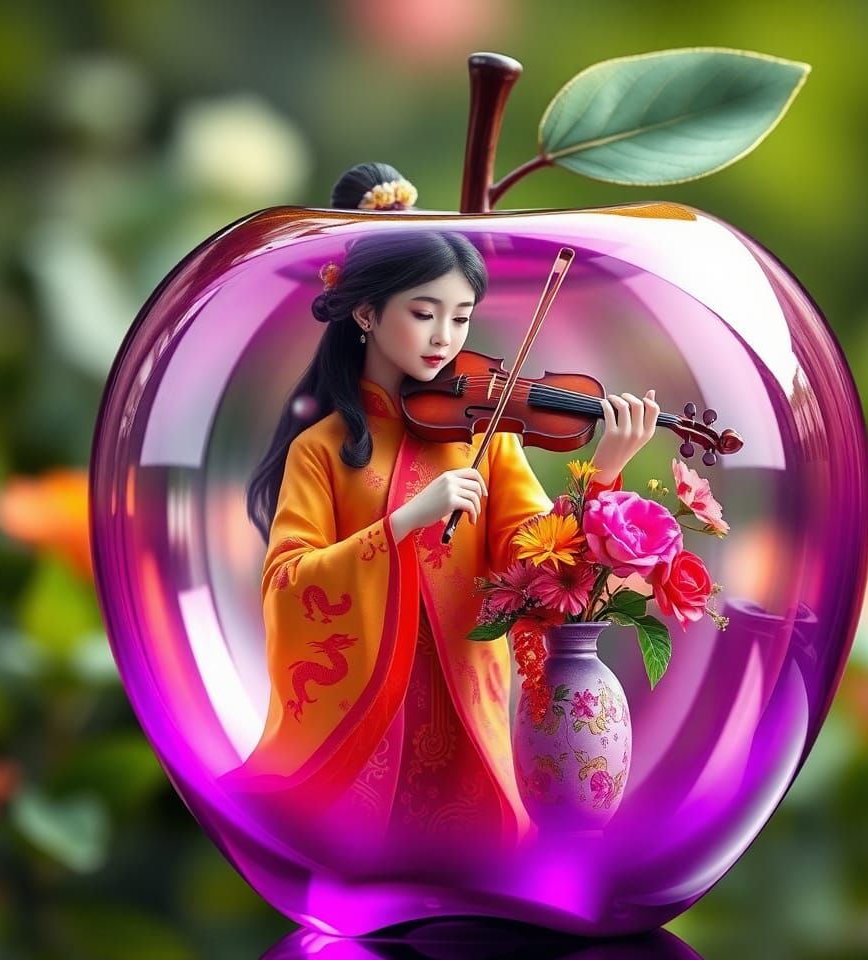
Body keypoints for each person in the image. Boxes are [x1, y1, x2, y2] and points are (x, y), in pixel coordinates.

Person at [225, 163, 660, 871]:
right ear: (367, 314)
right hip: (366, 720)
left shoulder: (486, 435)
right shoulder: (322, 448)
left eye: (460, 318)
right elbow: (287, 583)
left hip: (464, 699)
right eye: (424, 313)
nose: (445, 338)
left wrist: (606, 465)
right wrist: (401, 523)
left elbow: (539, 566)